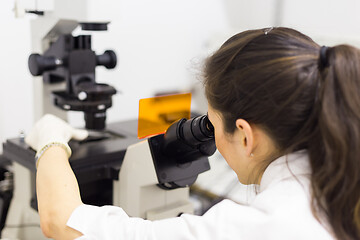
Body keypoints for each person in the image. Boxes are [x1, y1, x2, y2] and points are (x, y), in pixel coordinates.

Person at [25, 27, 360, 240]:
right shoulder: (340, 181)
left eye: (211, 125)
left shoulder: (256, 227)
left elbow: (61, 222)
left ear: (245, 135)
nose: (210, 136)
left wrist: (50, 139)